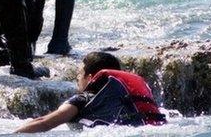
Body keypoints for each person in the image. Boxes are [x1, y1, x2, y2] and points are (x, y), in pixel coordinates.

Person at [14, 51, 166, 133]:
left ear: (90, 77)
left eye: (80, 73)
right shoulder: (127, 98)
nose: (77, 77)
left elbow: (45, 123)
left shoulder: (84, 98)